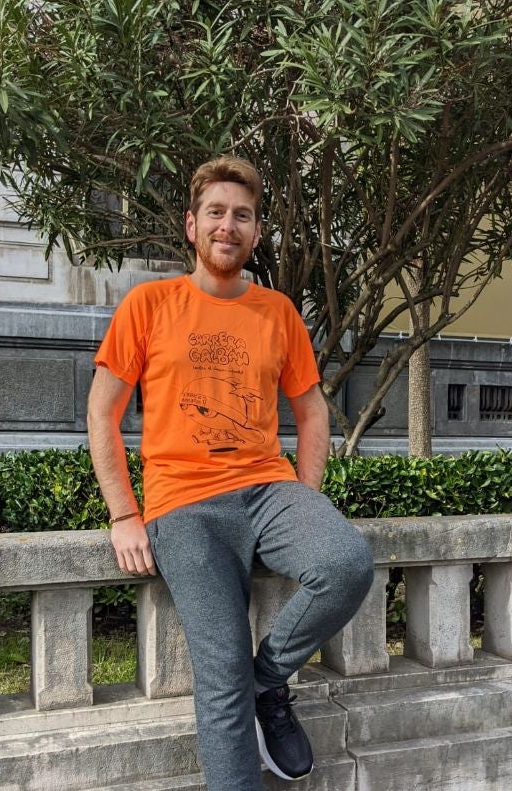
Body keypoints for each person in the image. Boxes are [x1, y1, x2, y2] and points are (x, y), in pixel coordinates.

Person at [87, 157, 374, 787]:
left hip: (269, 490)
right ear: (192, 226)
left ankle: (268, 684)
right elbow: (102, 412)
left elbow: (312, 410)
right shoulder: (149, 304)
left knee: (347, 562)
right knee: (219, 682)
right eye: (215, 213)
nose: (228, 225)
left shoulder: (277, 312)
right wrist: (123, 514)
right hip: (182, 506)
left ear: (256, 231)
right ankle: (247, 698)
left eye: (241, 215)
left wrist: (307, 500)